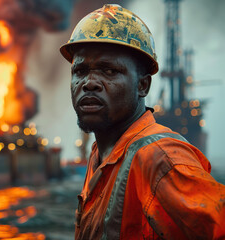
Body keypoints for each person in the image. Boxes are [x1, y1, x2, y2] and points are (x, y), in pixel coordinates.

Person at [59, 4, 225, 240]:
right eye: (80, 70)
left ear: (143, 86)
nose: (89, 82)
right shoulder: (103, 153)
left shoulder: (160, 159)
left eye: (109, 71)